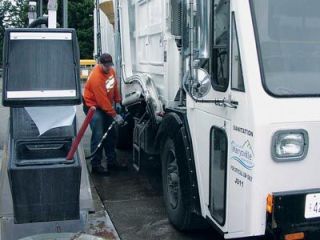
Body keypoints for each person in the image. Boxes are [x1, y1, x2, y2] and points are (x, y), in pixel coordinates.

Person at [83, 53, 124, 175]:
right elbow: (102, 101)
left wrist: (118, 101)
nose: (107, 68)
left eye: (109, 65)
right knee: (99, 134)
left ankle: (112, 162)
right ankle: (96, 165)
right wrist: (114, 115)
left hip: (105, 106)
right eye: (105, 65)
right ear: (100, 63)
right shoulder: (96, 77)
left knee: (111, 134)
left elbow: (114, 87)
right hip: (93, 107)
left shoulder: (111, 71)